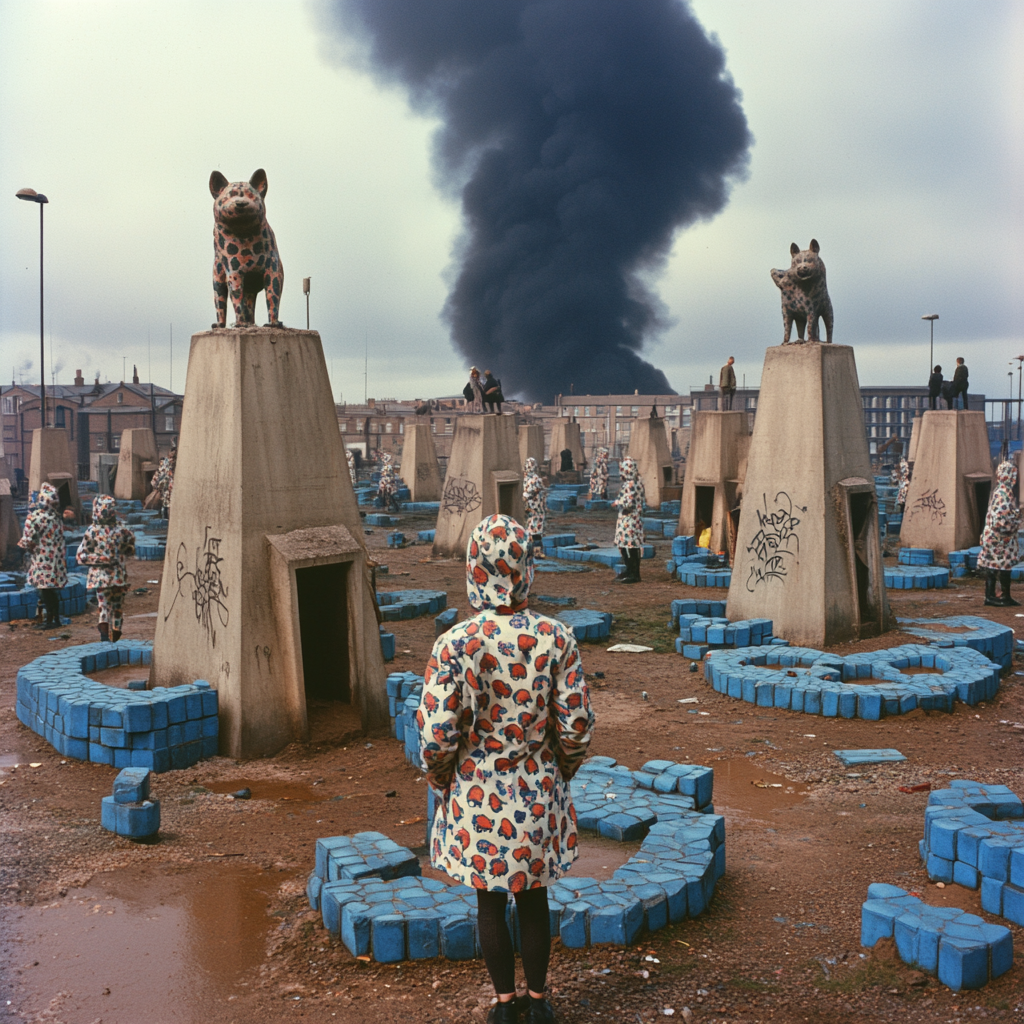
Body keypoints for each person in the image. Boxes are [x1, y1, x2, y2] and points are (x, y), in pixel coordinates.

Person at [417, 514, 594, 1024]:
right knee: (534, 899)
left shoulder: (454, 644)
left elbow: (435, 735)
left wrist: (443, 776)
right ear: (525, 568)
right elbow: (577, 724)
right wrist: (561, 769)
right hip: (537, 786)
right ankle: (539, 1003)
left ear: (473, 568)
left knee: (490, 903)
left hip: (477, 792)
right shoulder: (556, 638)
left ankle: (503, 1004)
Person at [76, 494, 136, 642]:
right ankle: (116, 633)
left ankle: (104, 636)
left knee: (103, 605)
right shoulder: (122, 530)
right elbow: (130, 548)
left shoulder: (92, 531)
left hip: (100, 577)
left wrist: (98, 559)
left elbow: (81, 556)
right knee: (117, 606)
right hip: (118, 576)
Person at [18, 482, 68, 630]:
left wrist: (21, 549)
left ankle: (49, 621)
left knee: (44, 590)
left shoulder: (35, 517)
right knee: (51, 590)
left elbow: (27, 540)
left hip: (42, 559)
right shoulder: (56, 517)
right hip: (57, 559)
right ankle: (55, 619)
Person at [978, 460, 1021, 607]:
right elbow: (1001, 521)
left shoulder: (1000, 491)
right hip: (1000, 540)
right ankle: (1001, 596)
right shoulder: (1004, 494)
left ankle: (993, 596)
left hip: (994, 538)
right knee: (1002, 566)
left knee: (994, 566)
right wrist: (1015, 523)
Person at [612, 456, 645, 584]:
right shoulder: (638, 482)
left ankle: (633, 573)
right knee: (634, 545)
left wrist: (616, 502)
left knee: (627, 546)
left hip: (628, 519)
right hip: (635, 518)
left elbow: (628, 503)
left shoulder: (629, 484)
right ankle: (632, 571)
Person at [522, 457, 546, 558]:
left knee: (530, 530)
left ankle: (529, 551)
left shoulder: (525, 479)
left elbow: (525, 495)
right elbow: (530, 493)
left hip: (529, 509)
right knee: (536, 531)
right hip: (537, 509)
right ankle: (537, 552)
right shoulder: (535, 479)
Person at [152, 443, 176, 519]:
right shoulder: (166, 465)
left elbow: (155, 480)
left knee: (166, 508)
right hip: (168, 493)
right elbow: (156, 480)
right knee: (166, 507)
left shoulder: (165, 464)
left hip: (168, 493)